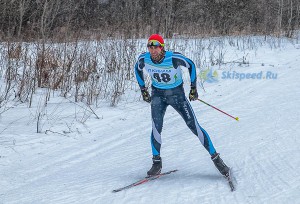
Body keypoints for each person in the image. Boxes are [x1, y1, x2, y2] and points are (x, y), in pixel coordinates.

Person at [134, 34, 230, 177]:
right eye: (150, 47)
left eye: (156, 47)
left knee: (194, 126)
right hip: (158, 95)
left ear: (162, 47)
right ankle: (156, 163)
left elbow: (190, 64)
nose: (153, 50)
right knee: (156, 127)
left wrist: (193, 88)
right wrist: (143, 89)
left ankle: (217, 159)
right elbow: (137, 68)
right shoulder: (144, 58)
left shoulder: (173, 58)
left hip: (176, 95)